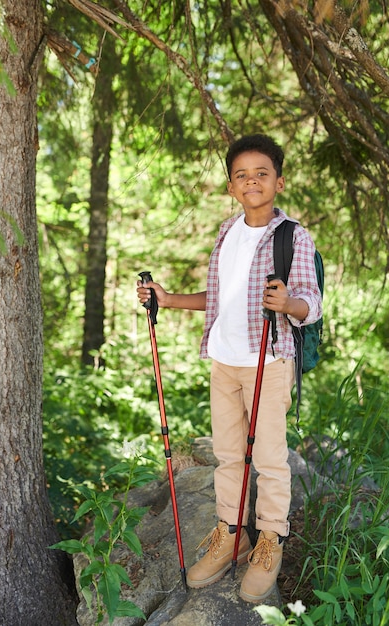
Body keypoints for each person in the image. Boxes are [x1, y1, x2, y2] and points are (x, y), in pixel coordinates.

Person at [137, 134, 322, 603]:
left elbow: (312, 303)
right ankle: (230, 533)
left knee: (270, 461)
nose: (252, 181)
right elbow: (219, 299)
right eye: (241, 175)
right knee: (228, 454)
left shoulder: (292, 236)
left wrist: (290, 304)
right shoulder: (227, 232)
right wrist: (169, 299)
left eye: (261, 173)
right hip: (224, 361)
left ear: (278, 181)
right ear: (230, 187)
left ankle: (270, 542)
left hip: (269, 361)